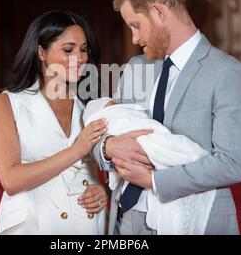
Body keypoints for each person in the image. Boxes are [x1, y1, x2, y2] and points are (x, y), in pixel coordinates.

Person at [92, 0, 241, 235]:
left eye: (136, 25)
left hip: (193, 219)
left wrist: (155, 181)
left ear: (158, 12)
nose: (134, 38)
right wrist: (108, 146)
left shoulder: (227, 72)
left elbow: (233, 163)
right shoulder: (135, 68)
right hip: (126, 218)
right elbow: (101, 131)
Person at [0, 10, 108, 235]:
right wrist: (76, 150)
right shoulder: (6, 104)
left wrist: (101, 192)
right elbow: (11, 180)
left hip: (86, 225)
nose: (80, 58)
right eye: (68, 50)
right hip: (32, 225)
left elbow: (93, 172)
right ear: (41, 52)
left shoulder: (90, 106)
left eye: (83, 49)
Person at [83, 97, 216, 234]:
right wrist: (108, 145)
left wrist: (153, 181)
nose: (116, 104)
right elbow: (91, 136)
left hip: (178, 196)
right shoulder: (130, 79)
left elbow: (230, 163)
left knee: (178, 151)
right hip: (129, 210)